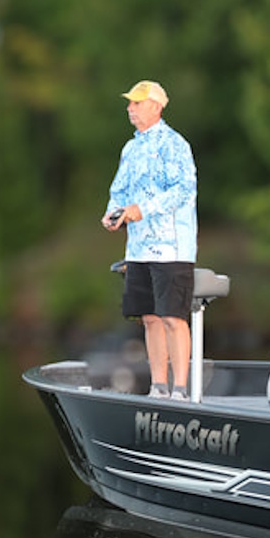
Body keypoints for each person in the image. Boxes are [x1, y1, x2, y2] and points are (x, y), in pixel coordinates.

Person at [102, 80, 197, 400]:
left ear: (156, 106)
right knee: (150, 318)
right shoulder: (130, 148)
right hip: (138, 249)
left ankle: (180, 388)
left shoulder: (175, 144)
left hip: (171, 248)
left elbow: (183, 190)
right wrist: (114, 212)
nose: (130, 108)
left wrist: (141, 210)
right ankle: (158, 386)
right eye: (130, 103)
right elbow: (119, 190)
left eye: (137, 103)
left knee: (173, 318)